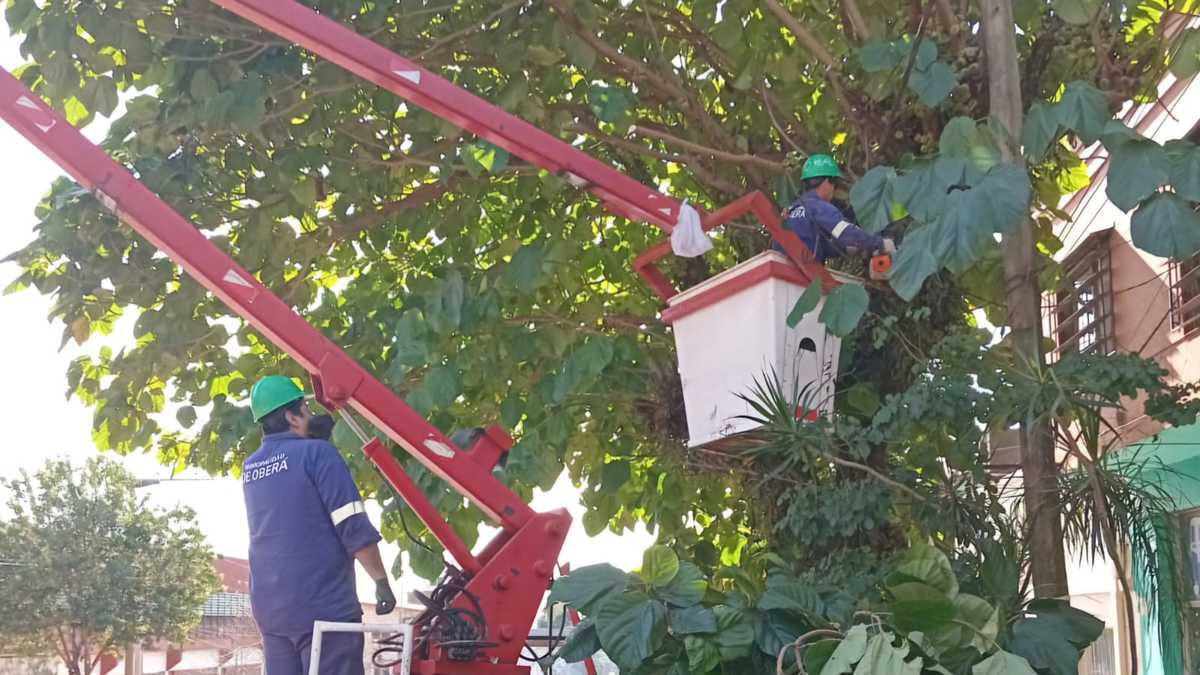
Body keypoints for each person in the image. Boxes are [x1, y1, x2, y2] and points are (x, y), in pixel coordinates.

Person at [242, 375, 397, 675]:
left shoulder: (251, 467)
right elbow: (351, 523)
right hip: (324, 607)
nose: (312, 415)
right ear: (292, 417)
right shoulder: (318, 454)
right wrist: (380, 582)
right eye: (306, 409)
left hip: (272, 611)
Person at [778, 154, 895, 264]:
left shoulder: (792, 208)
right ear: (827, 182)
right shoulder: (819, 207)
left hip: (782, 266)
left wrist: (845, 249)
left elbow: (814, 243)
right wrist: (880, 243)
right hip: (802, 270)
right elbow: (845, 232)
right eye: (835, 184)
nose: (834, 190)